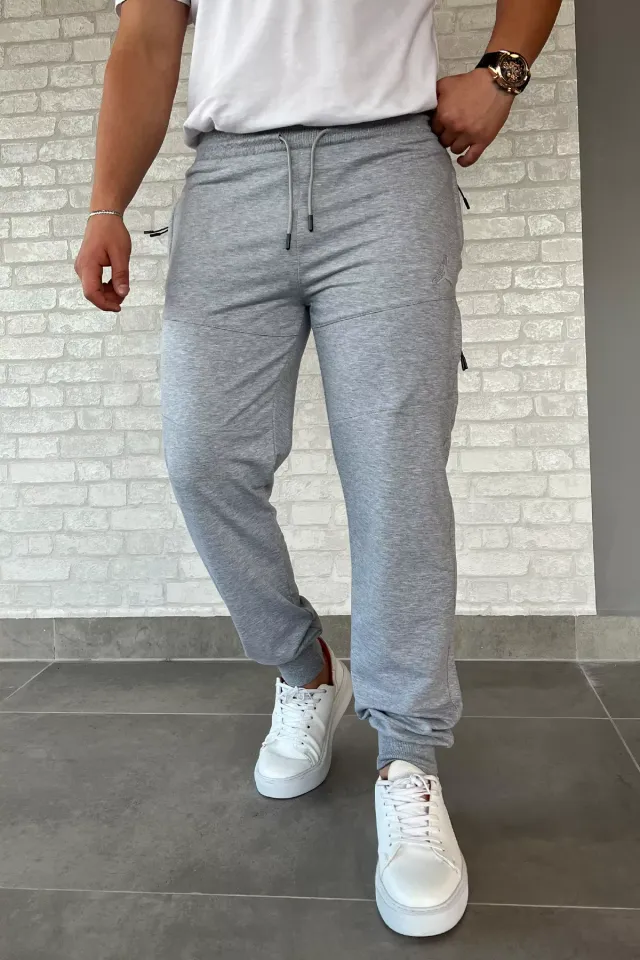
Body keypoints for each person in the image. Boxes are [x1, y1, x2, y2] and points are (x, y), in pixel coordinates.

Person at [76, 0, 563, 937]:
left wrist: (503, 71)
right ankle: (307, 671)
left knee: (395, 472)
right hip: (229, 182)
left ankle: (408, 755)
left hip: (388, 170)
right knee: (204, 459)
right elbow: (146, 38)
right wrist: (108, 204)